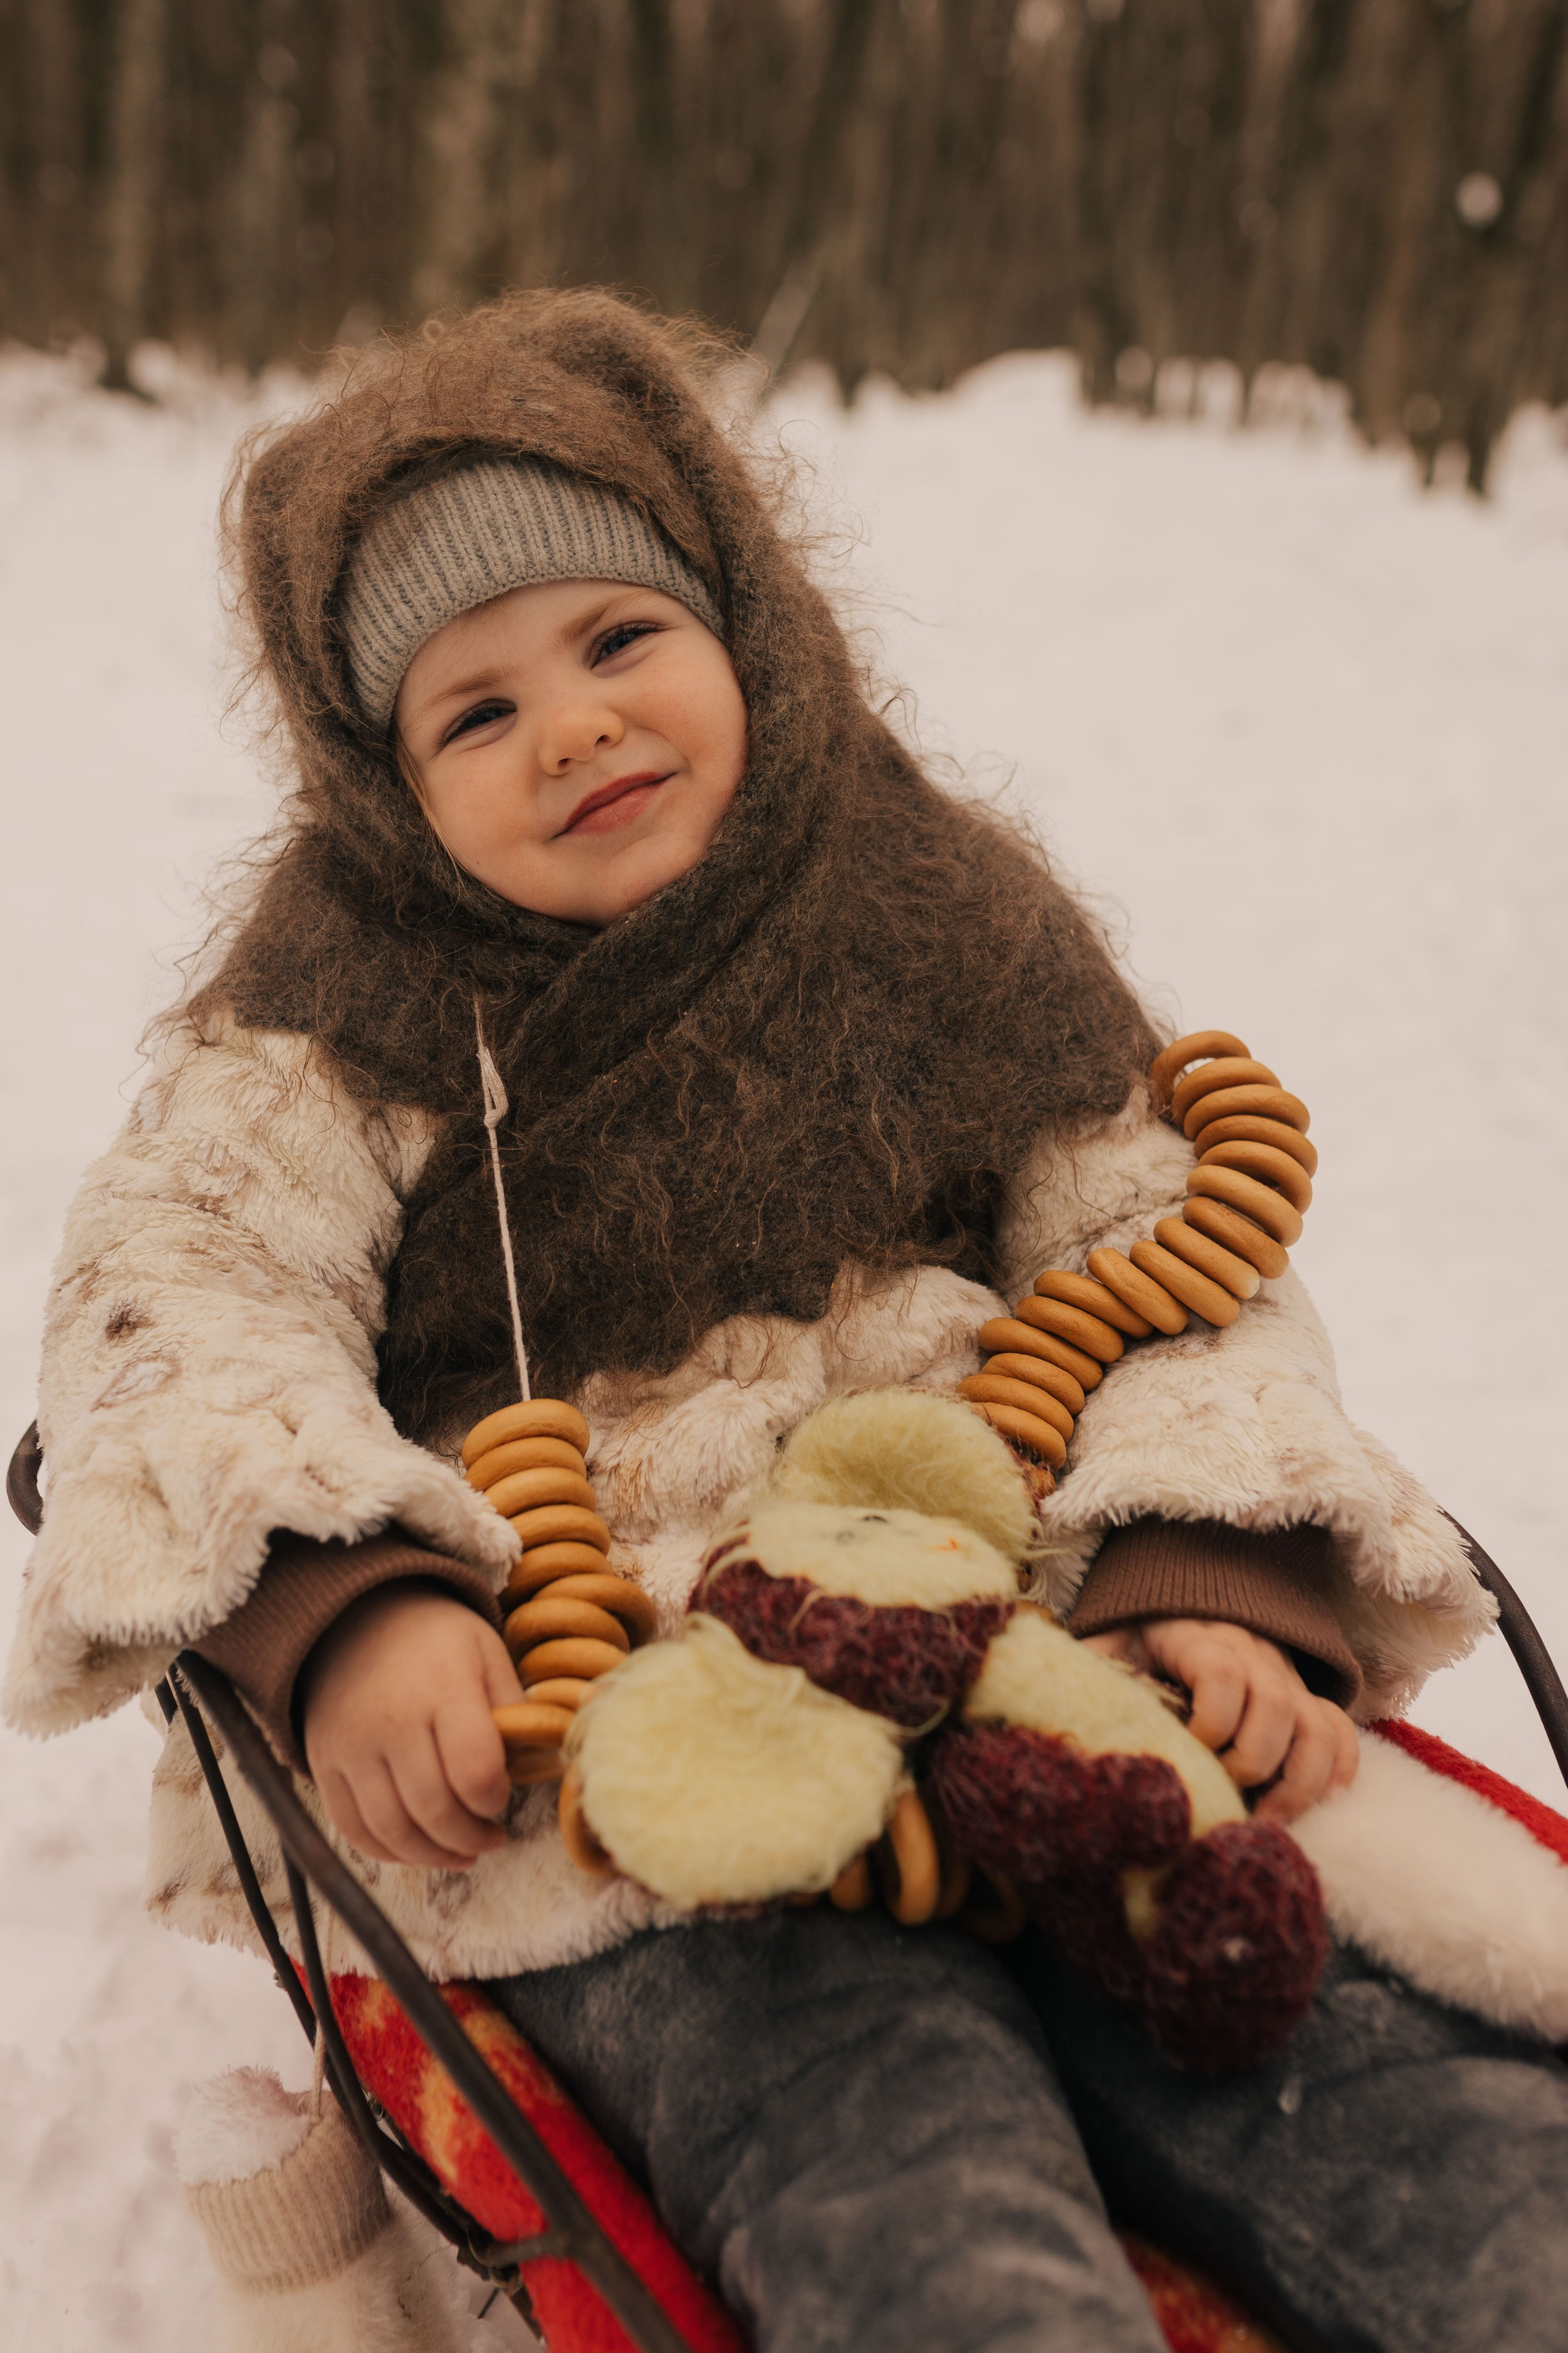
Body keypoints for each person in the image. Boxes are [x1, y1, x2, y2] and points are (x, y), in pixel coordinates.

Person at [7, 290, 1566, 2352]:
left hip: (1042, 1656)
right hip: (625, 1742)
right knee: (876, 2131)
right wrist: (354, 1602)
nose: (569, 726)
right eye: (472, 713)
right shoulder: (326, 1031)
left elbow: (1166, 1229)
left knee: (1356, 2074)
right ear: (381, 786)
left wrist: (1214, 1559)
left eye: (620, 640)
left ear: (742, 625)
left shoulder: (938, 914)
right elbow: (175, 1301)